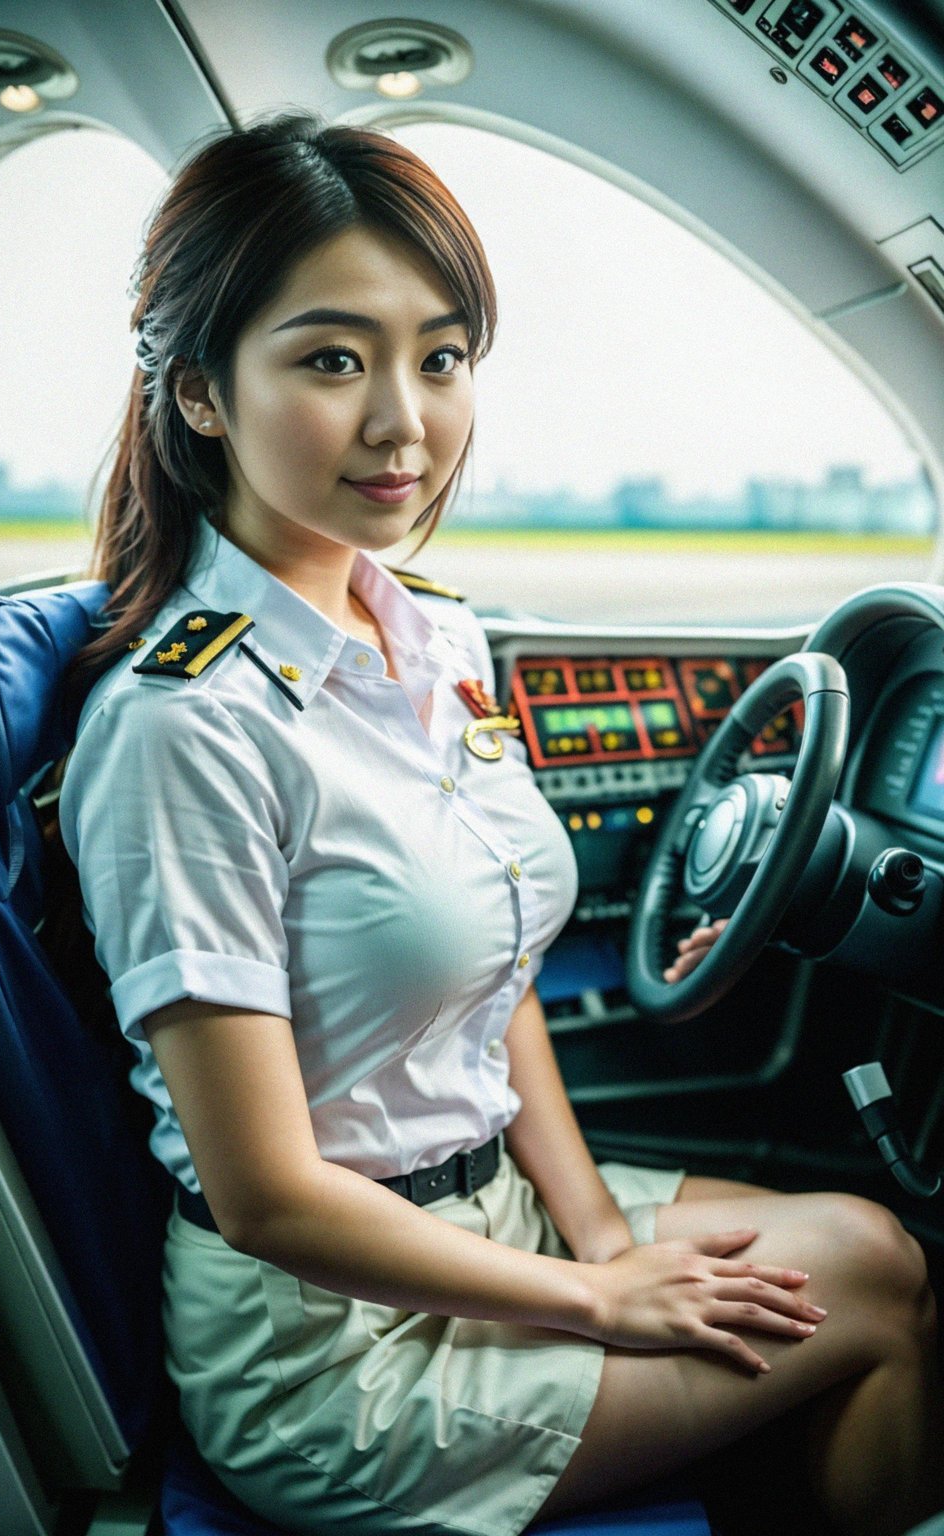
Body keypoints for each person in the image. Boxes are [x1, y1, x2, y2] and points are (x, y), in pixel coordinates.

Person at [58, 113, 941, 1536]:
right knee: (872, 1307)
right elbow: (270, 1192)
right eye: (333, 358)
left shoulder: (433, 637)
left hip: (497, 1226)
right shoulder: (184, 728)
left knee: (884, 1250)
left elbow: (501, 975)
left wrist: (592, 1226)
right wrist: (600, 1297)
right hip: (329, 1336)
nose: (404, 421)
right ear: (203, 394)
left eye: (442, 356)